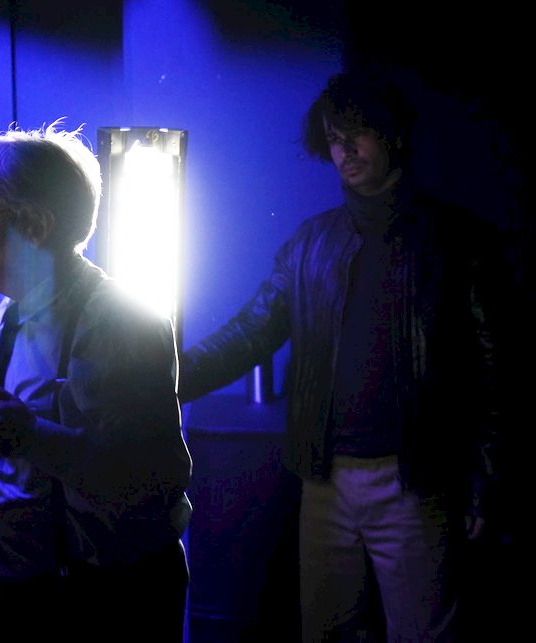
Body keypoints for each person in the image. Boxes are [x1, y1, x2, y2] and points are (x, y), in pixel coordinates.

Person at [178, 70, 502, 642]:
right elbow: (251, 332)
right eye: (332, 138)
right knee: (326, 633)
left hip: (415, 479)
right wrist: (162, 377)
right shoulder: (311, 244)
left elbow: (491, 370)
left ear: (393, 134)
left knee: (424, 635)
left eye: (358, 133)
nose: (344, 150)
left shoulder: (453, 241)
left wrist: (484, 480)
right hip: (325, 480)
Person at [0, 120, 193, 642]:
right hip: (25, 592)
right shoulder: (6, 316)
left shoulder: (121, 323)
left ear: (36, 226)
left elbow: (144, 477)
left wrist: (33, 439)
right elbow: (2, 445)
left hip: (105, 602)